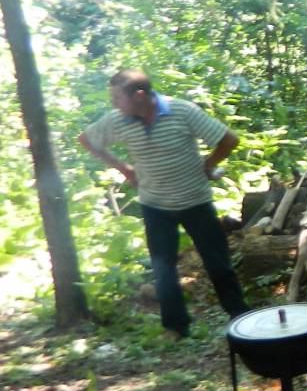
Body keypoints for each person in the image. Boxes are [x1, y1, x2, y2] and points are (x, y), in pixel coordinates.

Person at [77, 69, 249, 339]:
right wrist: (124, 169)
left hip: (196, 202)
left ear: (140, 96)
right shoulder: (119, 120)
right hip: (155, 205)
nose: (114, 105)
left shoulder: (182, 111)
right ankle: (176, 327)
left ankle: (242, 318)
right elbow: (87, 140)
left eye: (117, 98)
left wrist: (208, 165)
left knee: (218, 264)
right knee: (163, 268)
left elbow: (229, 139)